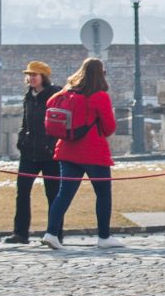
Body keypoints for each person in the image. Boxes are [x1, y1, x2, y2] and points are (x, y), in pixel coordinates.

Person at [42, 56, 119, 251]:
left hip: (68, 150)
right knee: (103, 194)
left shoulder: (67, 93)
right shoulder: (100, 96)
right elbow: (109, 128)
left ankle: (51, 233)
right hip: (93, 153)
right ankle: (104, 236)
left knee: (64, 194)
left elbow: (50, 102)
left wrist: (69, 91)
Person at [6, 61, 57, 244]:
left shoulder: (53, 95)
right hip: (29, 152)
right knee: (22, 192)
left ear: (44, 77)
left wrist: (52, 144)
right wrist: (22, 141)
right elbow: (25, 123)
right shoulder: (28, 97)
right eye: (29, 75)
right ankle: (20, 233)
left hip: (49, 153)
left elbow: (58, 122)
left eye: (35, 74)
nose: (31, 78)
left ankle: (55, 232)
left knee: (52, 194)